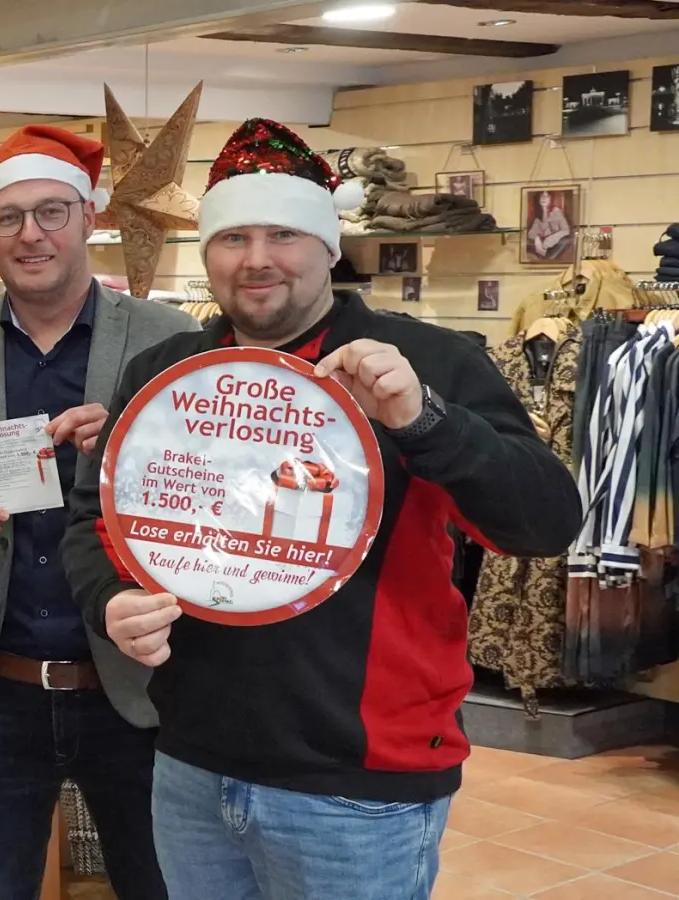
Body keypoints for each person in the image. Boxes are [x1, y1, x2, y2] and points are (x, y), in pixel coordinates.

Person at [62, 119, 582, 900]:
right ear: (207, 253)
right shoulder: (167, 373)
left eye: (285, 234)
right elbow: (91, 524)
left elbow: (543, 522)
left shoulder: (431, 363)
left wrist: (424, 419)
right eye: (233, 236)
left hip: (357, 785)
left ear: (331, 247)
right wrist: (113, 600)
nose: (258, 258)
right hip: (191, 764)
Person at [0, 126, 198, 900]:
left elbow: (217, 493)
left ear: (86, 218)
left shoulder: (170, 339)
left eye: (50, 212)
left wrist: (136, 447)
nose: (30, 234)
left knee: (160, 884)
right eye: (9, 218)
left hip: (137, 690)